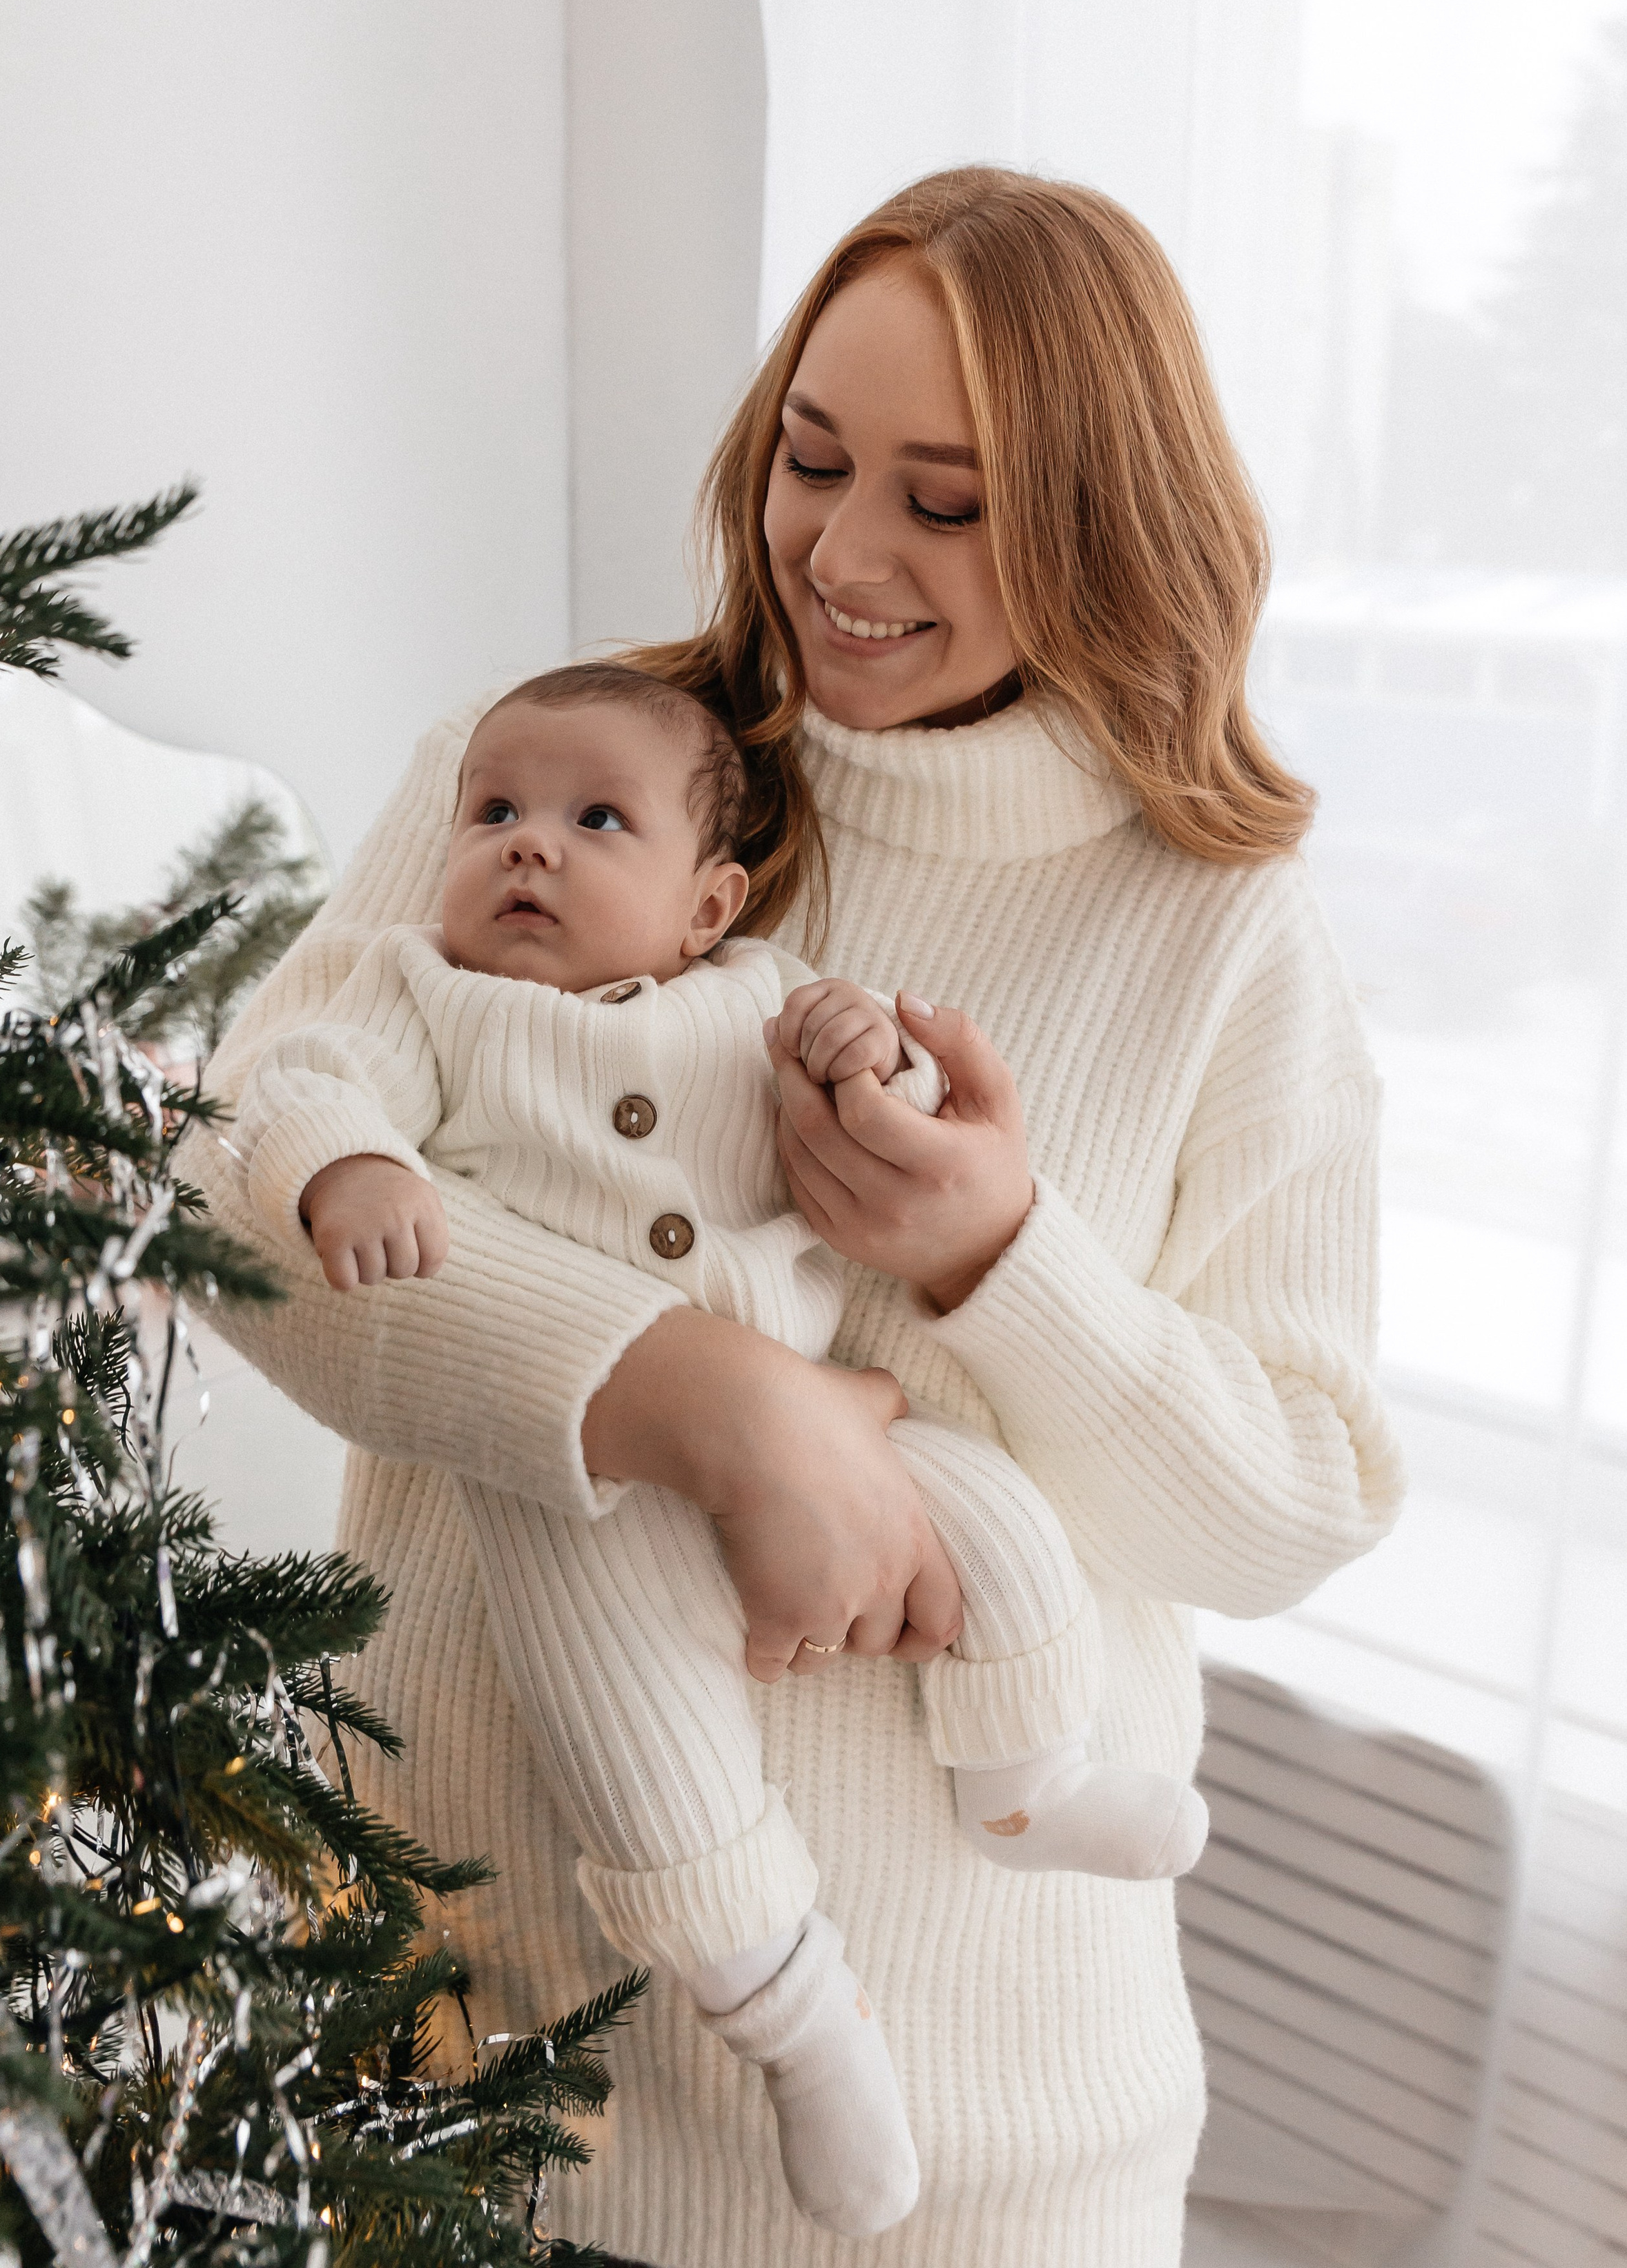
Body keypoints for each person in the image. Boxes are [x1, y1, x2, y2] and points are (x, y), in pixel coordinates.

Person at [192, 168, 1405, 2268]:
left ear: (1107, 521)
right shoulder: (565, 786)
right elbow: (234, 1183)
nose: (840, 556)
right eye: (809, 461)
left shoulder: (1223, 932)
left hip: (993, 2148)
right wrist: (697, 1399)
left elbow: (1295, 1502)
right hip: (465, 2081)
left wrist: (1000, 1264)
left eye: (947, 501)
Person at [228, 660, 1211, 2240]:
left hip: (853, 1438)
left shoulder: (753, 994)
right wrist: (343, 1165)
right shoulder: (432, 998)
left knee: (1009, 1535)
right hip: (578, 1505)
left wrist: (872, 1069)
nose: (525, 845)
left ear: (707, 903)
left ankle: (1026, 1778)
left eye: (590, 821)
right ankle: (801, 2022)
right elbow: (289, 1090)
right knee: (653, 1783)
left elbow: (1290, 1498)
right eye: (494, 815)